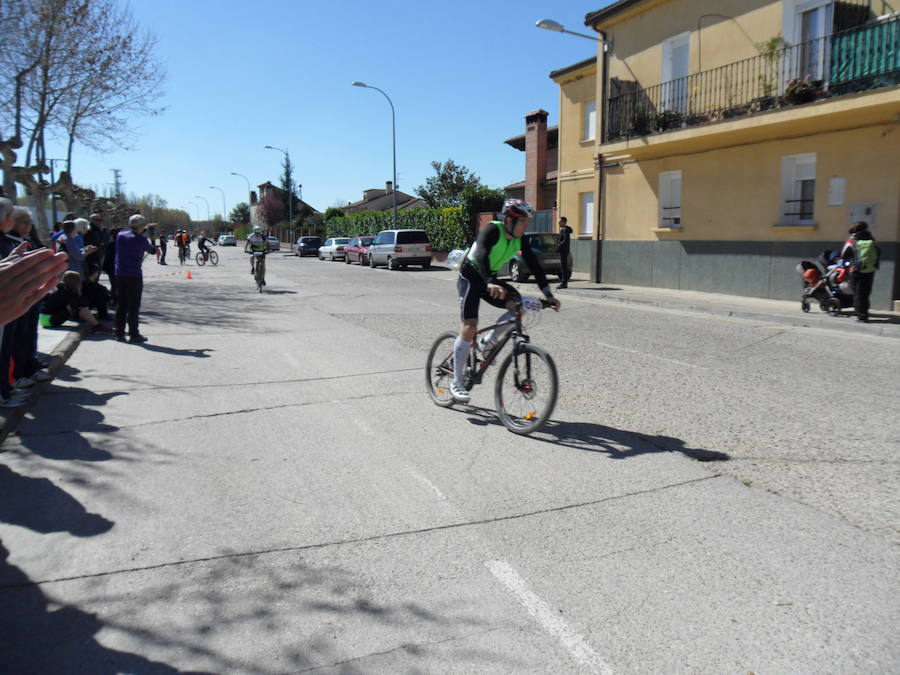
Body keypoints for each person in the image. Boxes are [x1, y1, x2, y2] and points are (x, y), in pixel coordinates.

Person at [451, 198, 560, 403]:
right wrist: (489, 281)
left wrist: (548, 295)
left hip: (489, 278)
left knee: (519, 305)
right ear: (510, 220)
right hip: (472, 276)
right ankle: (456, 383)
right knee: (469, 327)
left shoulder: (521, 239)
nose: (526, 226)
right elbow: (481, 255)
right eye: (523, 222)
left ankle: (487, 342)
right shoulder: (493, 229)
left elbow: (535, 267)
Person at [114, 214, 156, 343]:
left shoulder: (120, 235)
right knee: (133, 306)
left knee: (121, 305)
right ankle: (134, 334)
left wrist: (143, 230)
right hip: (134, 275)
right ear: (141, 226)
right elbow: (153, 250)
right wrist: (152, 235)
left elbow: (132, 235)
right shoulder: (141, 240)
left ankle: (119, 333)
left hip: (119, 273)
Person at [841, 222, 881, 322]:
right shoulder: (871, 238)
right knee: (865, 293)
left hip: (856, 270)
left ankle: (861, 316)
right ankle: (864, 313)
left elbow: (844, 255)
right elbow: (878, 252)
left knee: (858, 293)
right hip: (870, 269)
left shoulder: (852, 240)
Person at [556, 216, 573, 289]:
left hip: (564, 251)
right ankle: (564, 282)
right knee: (563, 267)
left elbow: (565, 240)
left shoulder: (565, 230)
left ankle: (564, 283)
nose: (558, 222)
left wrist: (559, 246)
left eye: (560, 221)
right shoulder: (564, 229)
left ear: (563, 222)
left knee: (564, 267)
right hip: (563, 251)